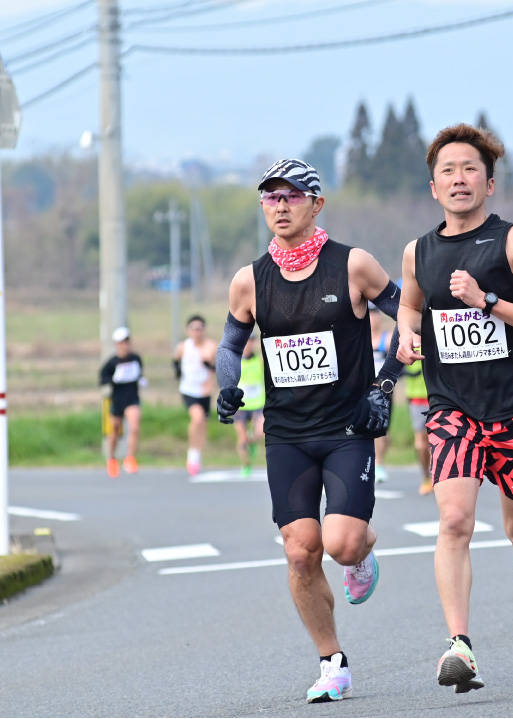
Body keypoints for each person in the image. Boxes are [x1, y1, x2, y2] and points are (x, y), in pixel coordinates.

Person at [214, 159, 405, 703]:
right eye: (271, 197)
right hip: (288, 434)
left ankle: (364, 550)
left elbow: (408, 319)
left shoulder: (354, 265)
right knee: (301, 551)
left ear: (316, 204)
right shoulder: (249, 280)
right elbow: (230, 345)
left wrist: (383, 385)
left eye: (292, 197)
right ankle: (332, 662)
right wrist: (228, 386)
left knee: (341, 544)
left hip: (347, 427)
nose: (280, 206)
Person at [396, 123, 513, 694]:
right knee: (454, 521)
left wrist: (489, 301)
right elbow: (411, 307)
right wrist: (404, 334)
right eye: (448, 171)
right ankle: (460, 645)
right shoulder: (418, 251)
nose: (459, 179)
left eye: (470, 169)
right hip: (451, 406)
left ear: (489, 183)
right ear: (434, 186)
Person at [173, 315, 217, 476]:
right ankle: (191, 455)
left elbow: (217, 367)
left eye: (200, 328)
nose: (197, 332)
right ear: (188, 331)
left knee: (203, 425)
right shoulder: (183, 346)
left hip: (204, 391)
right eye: (194, 328)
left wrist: (209, 365)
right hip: (188, 390)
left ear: (204, 330)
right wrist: (177, 371)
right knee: (197, 418)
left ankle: (197, 454)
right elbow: (175, 360)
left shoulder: (211, 346)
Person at [99, 326, 144, 477]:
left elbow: (139, 374)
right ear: (117, 344)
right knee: (115, 432)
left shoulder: (135, 358)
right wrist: (113, 379)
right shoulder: (112, 363)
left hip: (132, 398)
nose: (125, 345)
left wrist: (141, 380)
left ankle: (130, 458)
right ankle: (111, 458)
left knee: (134, 427)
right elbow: (103, 379)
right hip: (117, 399)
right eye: (121, 342)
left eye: (127, 341)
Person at [234, 333, 266, 476]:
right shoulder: (235, 361)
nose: (248, 345)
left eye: (250, 342)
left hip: (258, 404)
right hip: (241, 406)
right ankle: (246, 464)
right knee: (242, 438)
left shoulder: (259, 360)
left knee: (261, 432)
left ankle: (253, 441)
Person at [402, 353, 433, 495]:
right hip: (416, 397)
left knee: (435, 440)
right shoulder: (410, 341)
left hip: (438, 396)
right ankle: (426, 477)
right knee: (421, 441)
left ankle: (437, 477)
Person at [369, 304, 392, 483]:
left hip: (383, 392)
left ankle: (379, 463)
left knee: (381, 429)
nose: (372, 318)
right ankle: (372, 462)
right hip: (364, 389)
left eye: (375, 314)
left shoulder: (387, 339)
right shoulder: (360, 339)